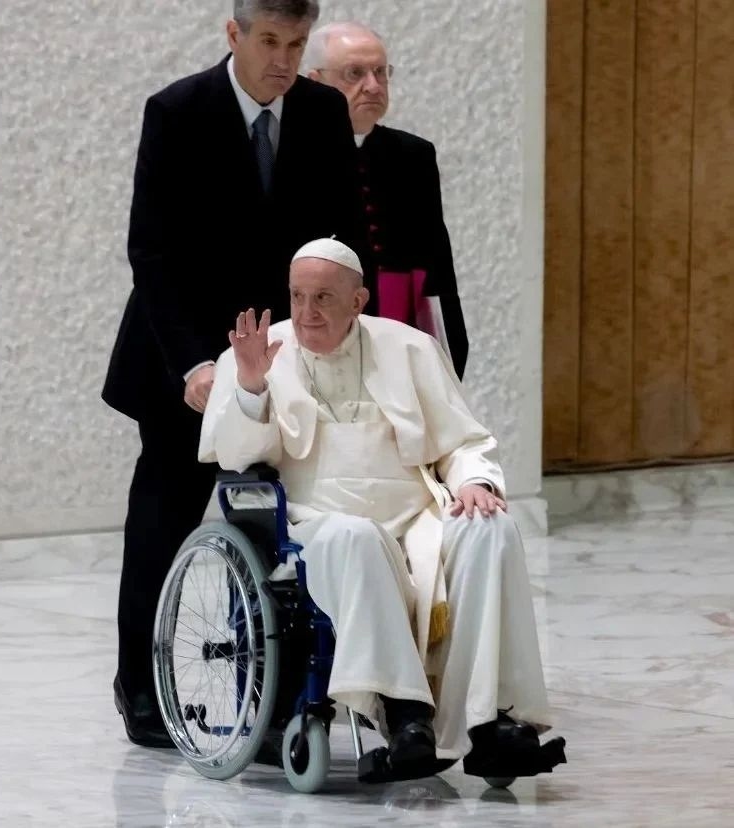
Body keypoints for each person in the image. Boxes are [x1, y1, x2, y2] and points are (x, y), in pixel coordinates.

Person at [199, 238, 566, 779]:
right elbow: (234, 457)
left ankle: (489, 721)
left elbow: (462, 442)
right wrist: (252, 386)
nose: (307, 312)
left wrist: (475, 481)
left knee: (491, 528)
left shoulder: (410, 347)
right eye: (298, 296)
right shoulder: (256, 353)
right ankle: (407, 714)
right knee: (358, 537)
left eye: (324, 296)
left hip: (419, 517)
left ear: (360, 300)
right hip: (316, 522)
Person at [101, 0, 366, 747]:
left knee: (284, 523)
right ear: (235, 35)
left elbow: (342, 243)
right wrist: (194, 362)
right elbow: (150, 252)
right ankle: (141, 684)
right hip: (179, 352)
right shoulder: (177, 111)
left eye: (298, 43)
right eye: (271, 41)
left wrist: (331, 344)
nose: (284, 59)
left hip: (288, 354)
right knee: (161, 519)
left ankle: (278, 686)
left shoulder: (320, 113)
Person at [303, 22, 469, 379]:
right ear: (316, 82)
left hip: (401, 334)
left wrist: (451, 349)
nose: (373, 86)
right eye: (355, 74)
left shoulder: (414, 154)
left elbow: (437, 260)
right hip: (317, 335)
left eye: (381, 72)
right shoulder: (295, 154)